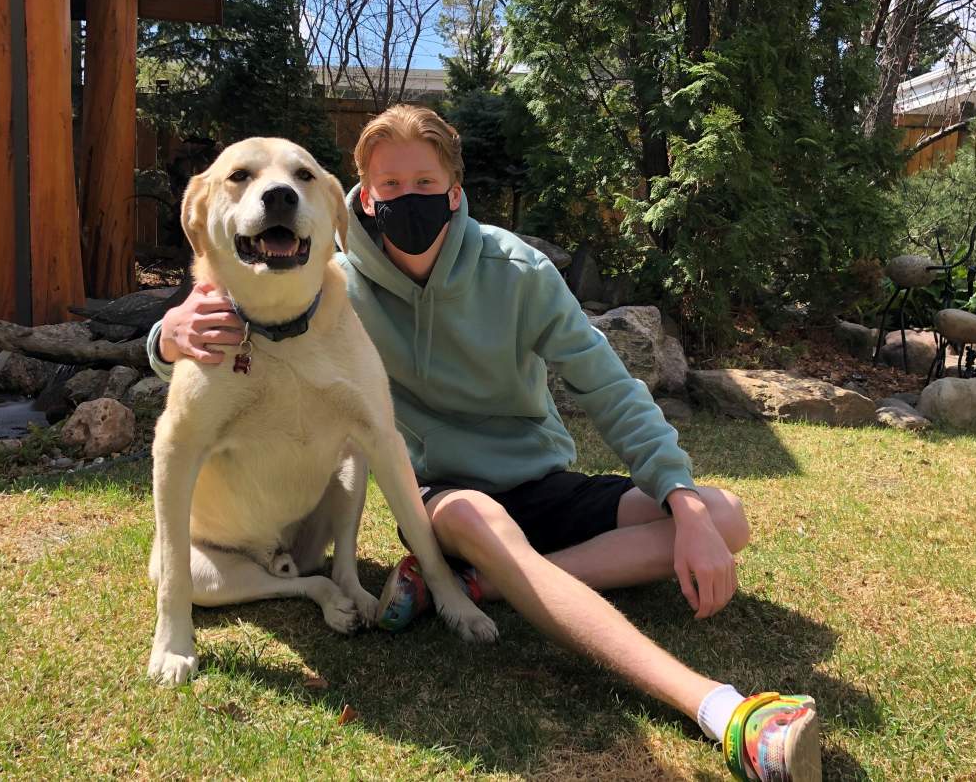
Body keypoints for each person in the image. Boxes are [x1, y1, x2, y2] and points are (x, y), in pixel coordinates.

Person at [147, 106, 821, 781]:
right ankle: (716, 707)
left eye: (424, 182)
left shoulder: (519, 271)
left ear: (455, 193)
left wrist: (685, 502)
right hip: (448, 499)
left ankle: (492, 585)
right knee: (479, 521)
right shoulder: (332, 279)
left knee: (723, 514)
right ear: (364, 199)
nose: (408, 198)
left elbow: (611, 389)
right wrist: (166, 334)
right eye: (389, 186)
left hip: (542, 482)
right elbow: (240, 306)